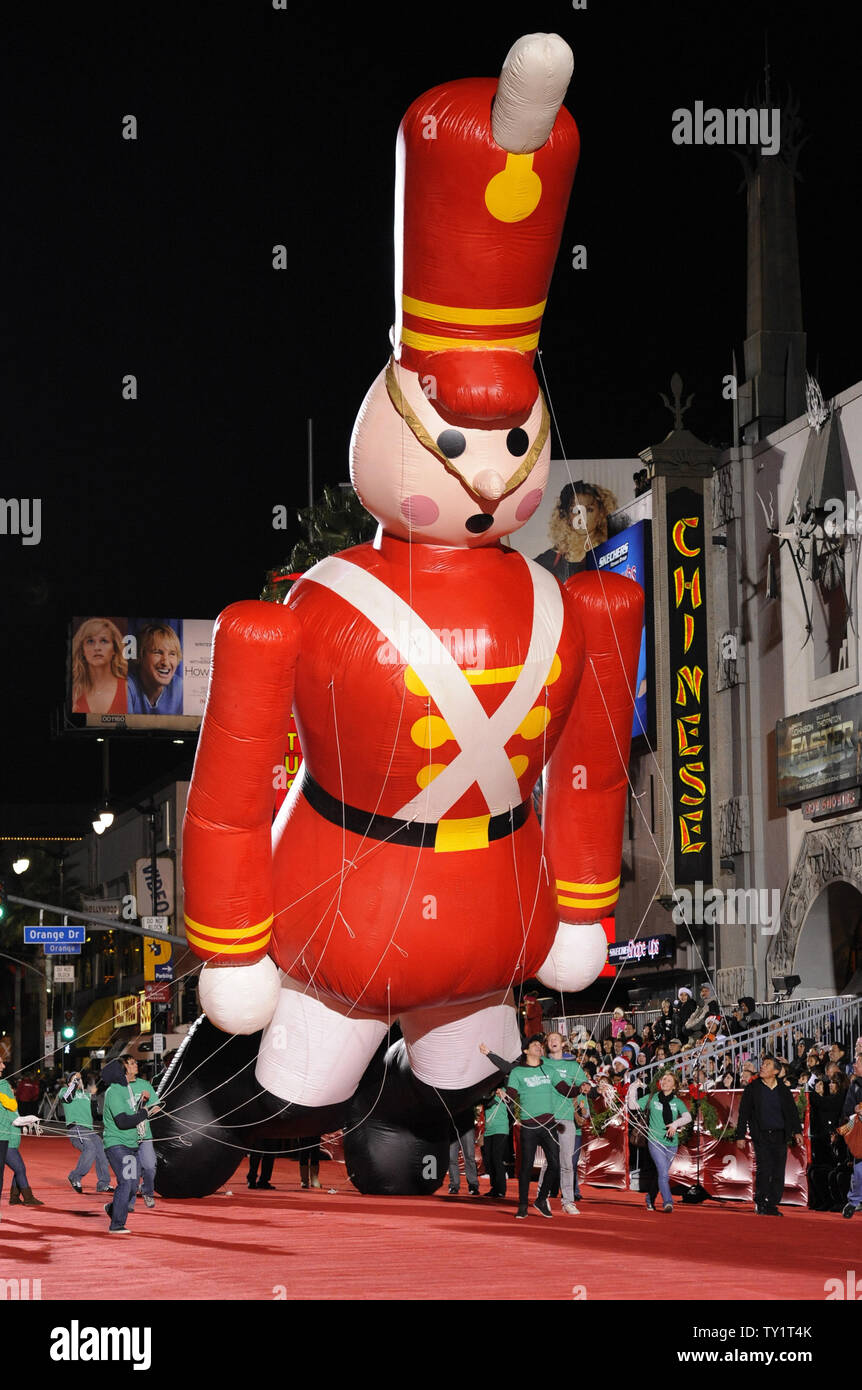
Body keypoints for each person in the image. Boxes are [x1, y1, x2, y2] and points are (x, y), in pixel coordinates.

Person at [480, 1036, 575, 1220]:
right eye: (535, 1045)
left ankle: (540, 1200)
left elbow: (566, 1089)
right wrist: (490, 1055)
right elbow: (508, 1071)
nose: (539, 1046)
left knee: (555, 1164)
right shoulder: (519, 1071)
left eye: (541, 1044)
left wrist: (587, 1089)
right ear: (525, 1051)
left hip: (549, 1125)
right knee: (525, 1167)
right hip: (529, 1125)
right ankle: (522, 1205)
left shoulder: (547, 1067)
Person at [100, 1056, 163, 1234]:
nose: (135, 1066)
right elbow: (122, 1121)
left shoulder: (131, 1087)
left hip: (132, 1143)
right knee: (126, 1182)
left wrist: (145, 1106)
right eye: (128, 1064)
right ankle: (117, 1224)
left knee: (133, 1186)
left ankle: (113, 1208)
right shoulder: (114, 1091)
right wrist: (144, 1113)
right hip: (117, 1143)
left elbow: (136, 1112)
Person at [735, 1055, 802, 1216]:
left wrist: (797, 1131)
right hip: (762, 1135)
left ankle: (772, 1204)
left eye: (767, 1064)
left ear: (776, 1071)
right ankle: (760, 1202)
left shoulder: (783, 1090)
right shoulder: (753, 1088)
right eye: (763, 1064)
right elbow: (743, 1112)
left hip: (780, 1135)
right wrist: (740, 1135)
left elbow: (792, 1112)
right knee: (764, 1170)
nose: (763, 1067)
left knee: (778, 1171)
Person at [630, 1070, 691, 1212]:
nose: (665, 1082)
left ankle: (650, 1198)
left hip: (672, 1144)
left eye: (669, 1080)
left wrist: (675, 1124)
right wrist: (633, 1088)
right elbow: (632, 1106)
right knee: (663, 1173)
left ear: (674, 1086)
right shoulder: (652, 1098)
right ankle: (668, 1202)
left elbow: (688, 1117)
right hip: (655, 1140)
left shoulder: (677, 1102)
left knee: (660, 1173)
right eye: (663, 1079)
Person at [534, 480, 618, 578]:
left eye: (589, 510)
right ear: (567, 516)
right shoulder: (552, 558)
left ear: (601, 514)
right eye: (576, 510)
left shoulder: (611, 551)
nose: (582, 516)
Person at [544, 1031, 588, 1214]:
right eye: (550, 1039)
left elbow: (584, 1088)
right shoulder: (541, 1063)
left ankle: (568, 1201)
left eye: (556, 1039)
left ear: (563, 1044)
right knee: (548, 1162)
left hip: (566, 1118)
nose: (553, 1041)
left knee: (567, 1163)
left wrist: (585, 1102)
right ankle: (541, 1197)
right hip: (545, 1118)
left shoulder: (572, 1066)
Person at [0, 1056, 44, 1206]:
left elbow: (16, 1117)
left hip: (11, 1141)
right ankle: (28, 1197)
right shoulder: (4, 1089)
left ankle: (14, 1196)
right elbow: (14, 1119)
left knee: (18, 1168)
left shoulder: (12, 1102)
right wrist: (30, 1119)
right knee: (20, 1168)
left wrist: (25, 1122)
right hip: (8, 1141)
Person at [62, 1071, 113, 1195]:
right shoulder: (64, 1091)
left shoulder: (86, 1094)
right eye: (75, 1080)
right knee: (89, 1148)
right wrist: (75, 1081)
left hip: (89, 1129)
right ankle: (75, 1176)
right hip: (77, 1127)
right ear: (69, 1083)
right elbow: (67, 1098)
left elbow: (95, 1113)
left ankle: (103, 1183)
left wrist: (94, 1095)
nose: (79, 1081)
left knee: (101, 1151)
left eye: (79, 1079)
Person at [71, 617, 128, 714]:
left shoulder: (129, 690)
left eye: (104, 641)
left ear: (114, 649)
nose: (97, 648)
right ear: (82, 650)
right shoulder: (73, 692)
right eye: (90, 641)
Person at [126, 621, 184, 716]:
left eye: (172, 654)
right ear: (141, 655)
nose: (165, 662)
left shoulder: (179, 687)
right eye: (157, 652)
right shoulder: (127, 686)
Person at [837, 1053, 862, 1217]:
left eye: (858, 1062)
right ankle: (853, 1202)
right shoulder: (855, 1085)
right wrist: (856, 1112)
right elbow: (847, 1109)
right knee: (859, 1171)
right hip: (859, 1132)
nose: (854, 1065)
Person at [480, 1086, 511, 1199]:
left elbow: (511, 1103)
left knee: (497, 1158)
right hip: (489, 1130)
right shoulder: (486, 1092)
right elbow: (485, 1102)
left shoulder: (503, 1090)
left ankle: (501, 1189)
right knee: (489, 1159)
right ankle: (494, 1188)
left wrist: (503, 1094)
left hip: (501, 1128)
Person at [447, 1109, 480, 1196]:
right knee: (451, 1157)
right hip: (452, 1127)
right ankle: (454, 1185)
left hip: (467, 1126)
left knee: (469, 1156)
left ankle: (473, 1185)